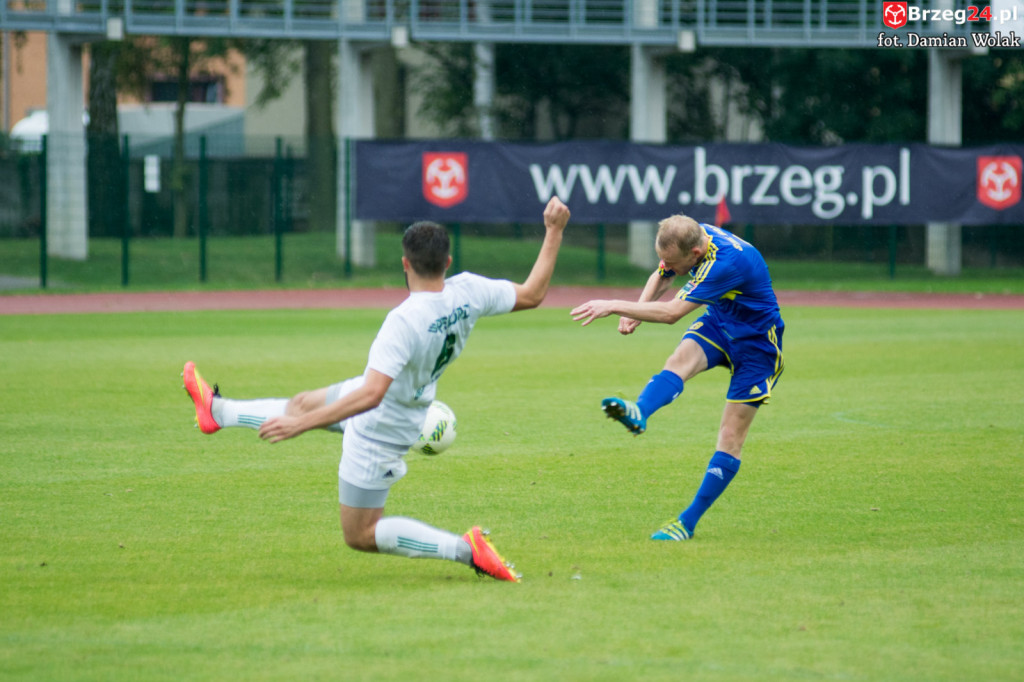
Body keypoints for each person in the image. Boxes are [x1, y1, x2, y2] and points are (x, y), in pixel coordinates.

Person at [183, 197, 571, 581]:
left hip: (381, 426)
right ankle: (217, 412)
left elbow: (371, 396)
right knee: (300, 403)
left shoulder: (403, 321)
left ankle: (467, 550)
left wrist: (301, 426)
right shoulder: (468, 290)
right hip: (399, 400)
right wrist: (554, 230)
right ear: (447, 262)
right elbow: (533, 294)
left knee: (361, 534)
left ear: (404, 264)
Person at [570, 214, 784, 541]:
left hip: (757, 343)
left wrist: (614, 305)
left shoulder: (725, 264)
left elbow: (672, 313)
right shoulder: (692, 237)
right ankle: (640, 411)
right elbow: (663, 275)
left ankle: (687, 522)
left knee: (730, 436)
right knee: (679, 360)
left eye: (673, 261)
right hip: (722, 322)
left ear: (695, 255)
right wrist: (636, 310)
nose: (666, 265)